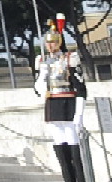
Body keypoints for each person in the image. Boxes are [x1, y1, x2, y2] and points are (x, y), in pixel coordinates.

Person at [37, 16, 88, 182]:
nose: (50, 45)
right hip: (53, 105)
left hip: (68, 104)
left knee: (74, 148)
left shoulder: (69, 59)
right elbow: (38, 90)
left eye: (53, 42)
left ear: (59, 42)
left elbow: (80, 89)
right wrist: (42, 76)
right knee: (60, 147)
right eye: (47, 42)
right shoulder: (42, 61)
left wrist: (79, 115)